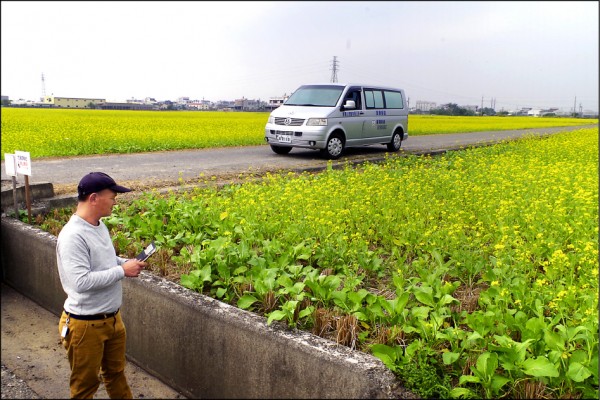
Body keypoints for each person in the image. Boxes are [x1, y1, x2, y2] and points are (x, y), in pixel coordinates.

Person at [56, 172, 146, 399]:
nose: (115, 202)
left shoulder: (99, 225)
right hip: (85, 325)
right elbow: (81, 282)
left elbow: (106, 261)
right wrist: (122, 271)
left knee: (116, 374)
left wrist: (125, 263)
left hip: (113, 319)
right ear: (94, 198)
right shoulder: (72, 236)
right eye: (112, 197)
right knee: (85, 387)